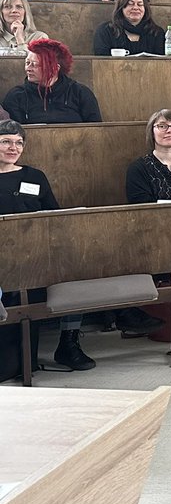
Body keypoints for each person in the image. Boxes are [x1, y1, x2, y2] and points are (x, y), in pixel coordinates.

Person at [0, 116, 99, 370]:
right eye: (6, 142)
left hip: (38, 254)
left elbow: (53, 216)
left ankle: (69, 343)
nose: (13, 148)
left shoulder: (35, 176)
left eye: (19, 143)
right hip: (4, 257)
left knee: (75, 272)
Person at [3, 39, 101, 123]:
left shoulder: (80, 93)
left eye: (35, 64)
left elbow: (95, 130)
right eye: (27, 63)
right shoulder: (16, 96)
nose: (28, 68)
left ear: (55, 68)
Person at [126, 108, 171, 204]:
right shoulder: (138, 169)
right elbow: (140, 209)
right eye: (162, 126)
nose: (170, 130)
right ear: (152, 132)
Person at [92, 0, 164, 56]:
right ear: (121, 8)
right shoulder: (105, 31)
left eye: (140, 4)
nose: (135, 8)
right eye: (130, 4)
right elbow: (100, 61)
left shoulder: (156, 32)